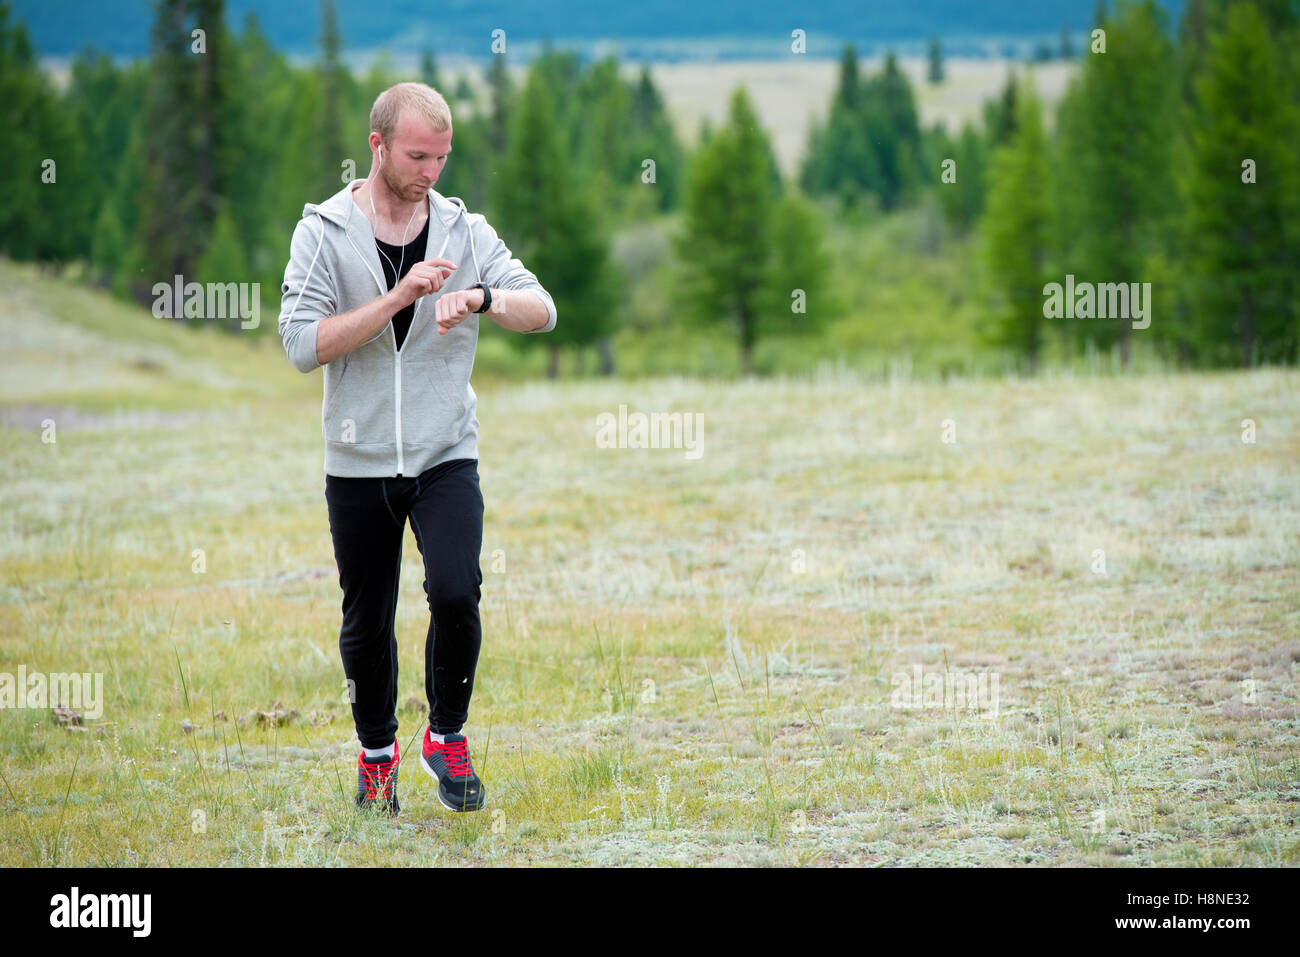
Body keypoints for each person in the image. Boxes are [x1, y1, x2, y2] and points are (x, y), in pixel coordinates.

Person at [276, 82, 557, 815]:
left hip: (443, 454)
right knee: (367, 622)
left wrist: (481, 300)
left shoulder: (466, 232)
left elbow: (543, 308)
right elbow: (302, 345)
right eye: (417, 155)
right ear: (377, 146)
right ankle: (377, 757)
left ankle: (447, 736)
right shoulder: (325, 232)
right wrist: (400, 298)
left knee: (458, 590)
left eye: (442, 156)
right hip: (358, 458)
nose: (432, 170)